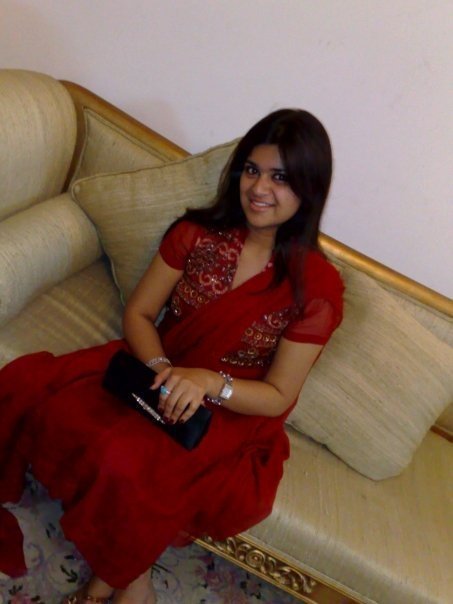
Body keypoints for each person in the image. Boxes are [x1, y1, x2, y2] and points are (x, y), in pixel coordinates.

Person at [0, 108, 344, 603]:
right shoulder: (197, 233)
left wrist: (208, 383)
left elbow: (278, 395)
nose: (259, 188)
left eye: (281, 178)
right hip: (156, 366)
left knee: (129, 464)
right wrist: (162, 368)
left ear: (309, 188)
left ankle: (107, 582)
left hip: (230, 408)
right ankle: (132, 579)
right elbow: (140, 314)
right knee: (45, 397)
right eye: (252, 170)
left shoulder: (316, 288)